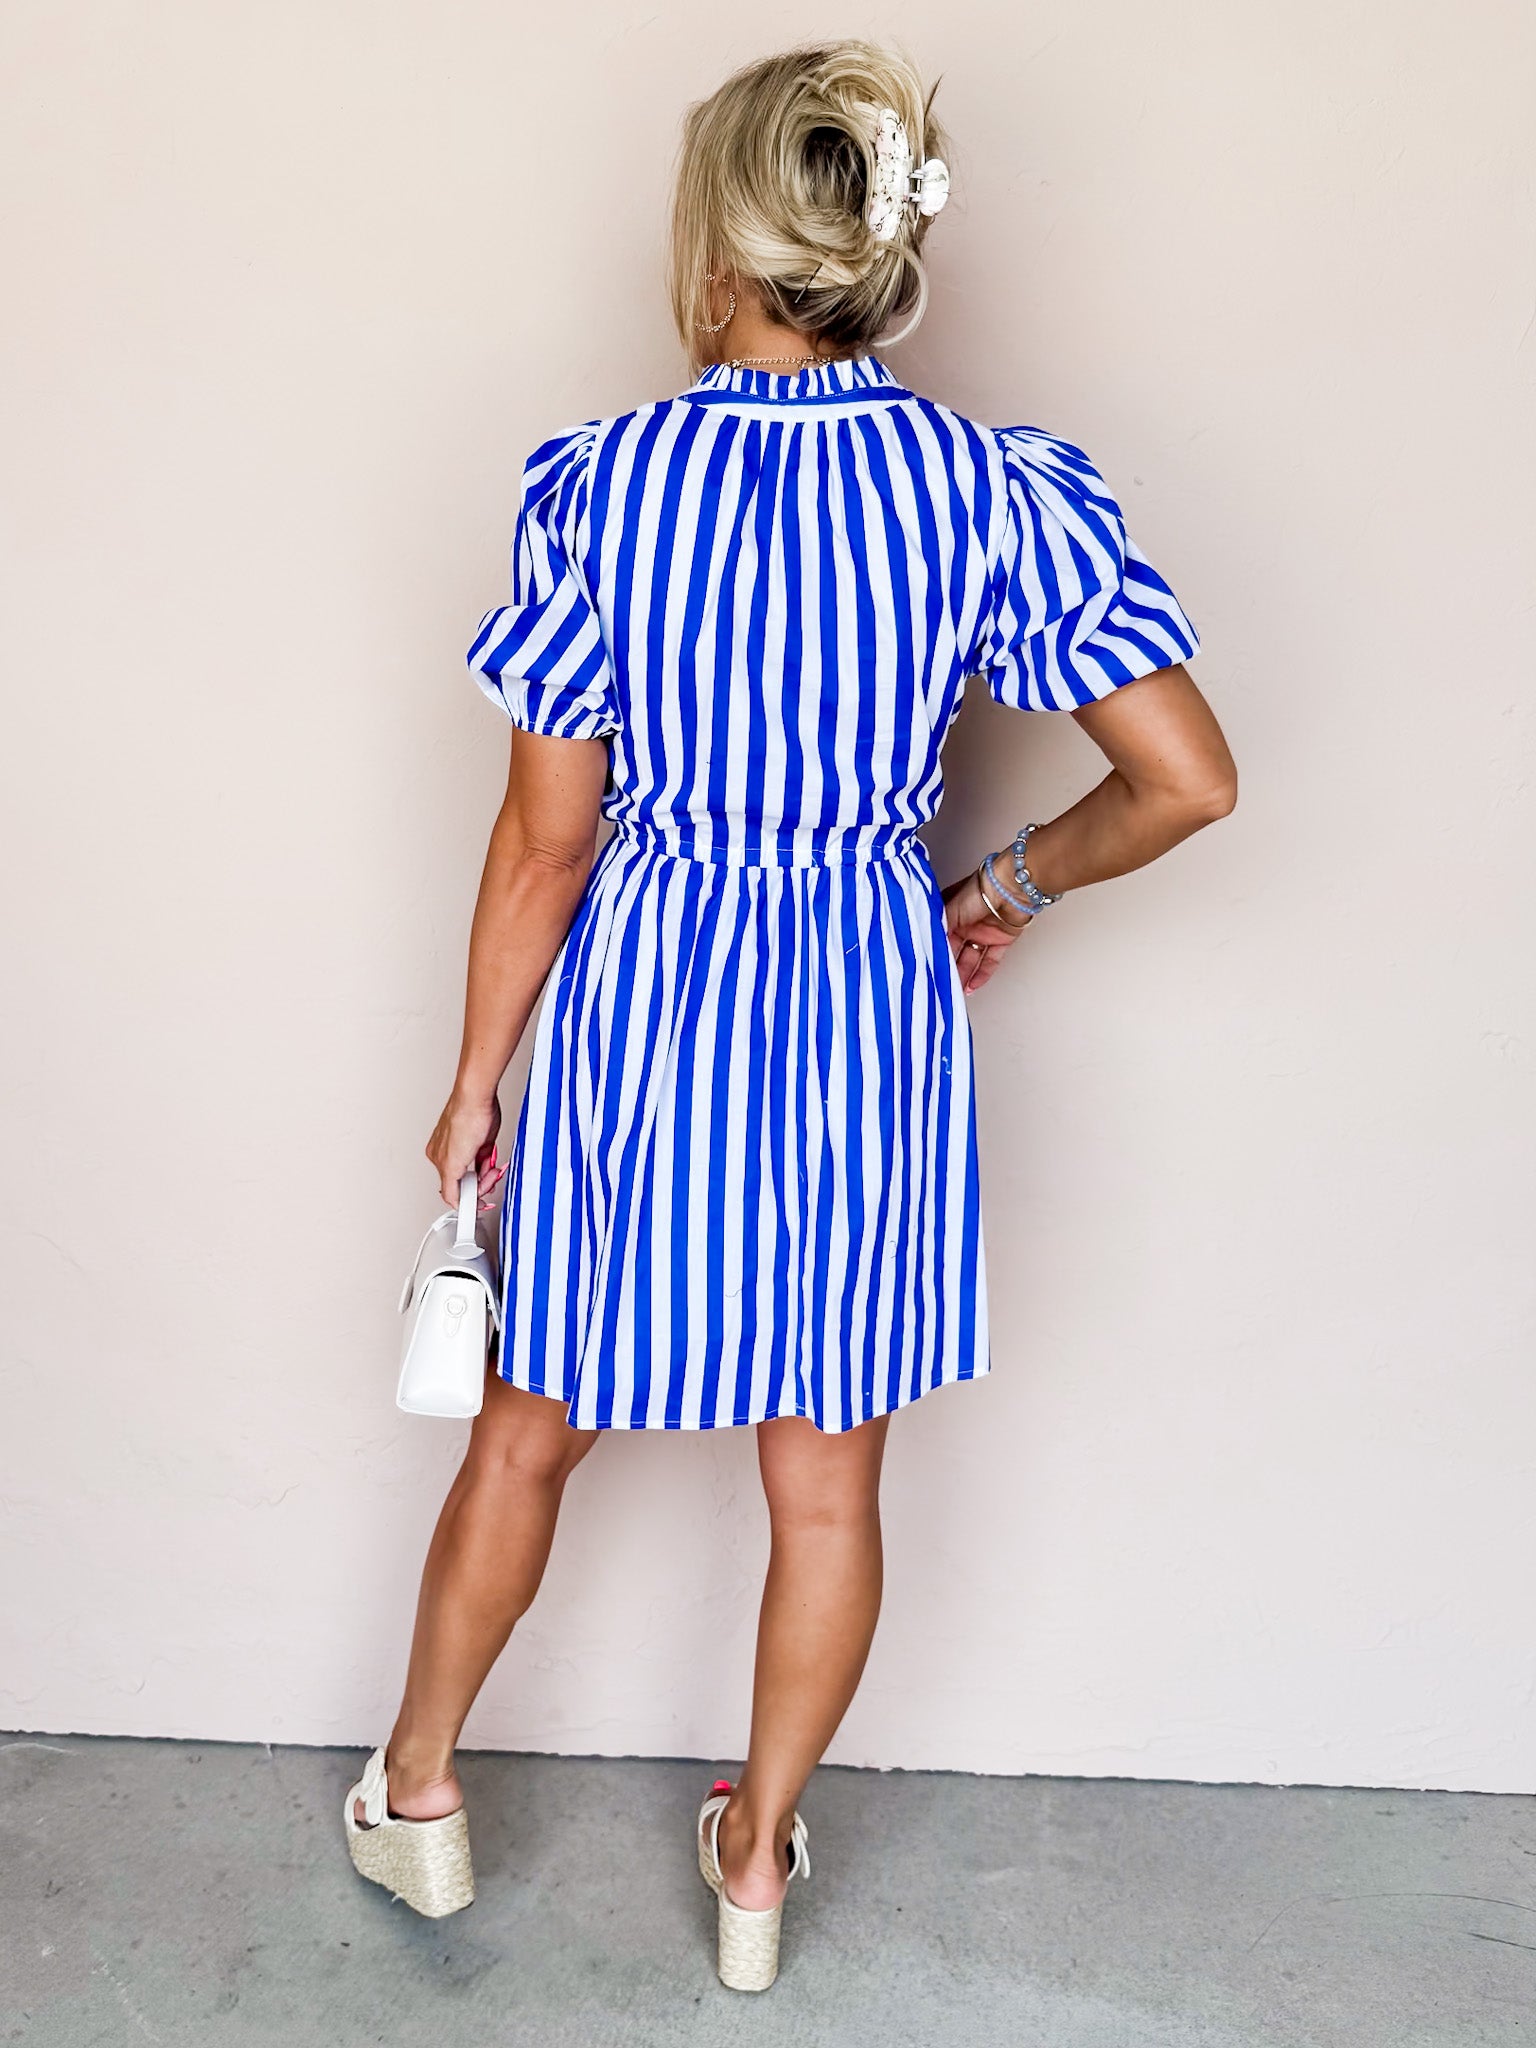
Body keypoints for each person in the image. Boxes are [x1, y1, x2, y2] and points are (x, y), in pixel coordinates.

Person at [343, 37, 1237, 1992]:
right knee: (827, 1485)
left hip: (651, 1006)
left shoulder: (601, 486)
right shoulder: (988, 491)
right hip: (866, 1015)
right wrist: (1001, 889)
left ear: (714, 246)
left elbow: (545, 844)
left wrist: (477, 1080)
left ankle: (418, 1793)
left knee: (526, 1434)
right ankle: (754, 1869)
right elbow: (1189, 778)